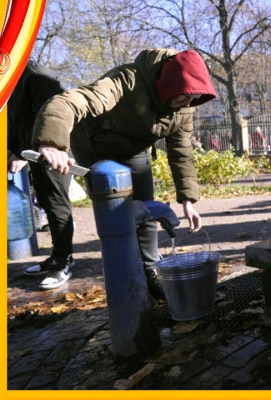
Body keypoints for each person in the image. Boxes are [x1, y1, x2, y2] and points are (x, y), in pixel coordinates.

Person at [31, 48, 217, 300]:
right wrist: (52, 142)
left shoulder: (187, 104)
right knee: (115, 211)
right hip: (96, 145)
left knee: (147, 209)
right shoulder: (125, 82)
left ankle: (150, 269)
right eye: (183, 96)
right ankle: (122, 277)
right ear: (169, 84)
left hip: (134, 149)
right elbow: (68, 102)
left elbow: (181, 152)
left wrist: (188, 200)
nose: (187, 103)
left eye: (192, 99)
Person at [7, 61, 76, 290]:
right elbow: (16, 121)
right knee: (46, 201)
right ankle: (57, 255)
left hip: (55, 150)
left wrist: (22, 153)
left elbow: (52, 116)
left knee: (57, 203)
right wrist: (12, 152)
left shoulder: (37, 76)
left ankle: (64, 261)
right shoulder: (12, 77)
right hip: (35, 152)